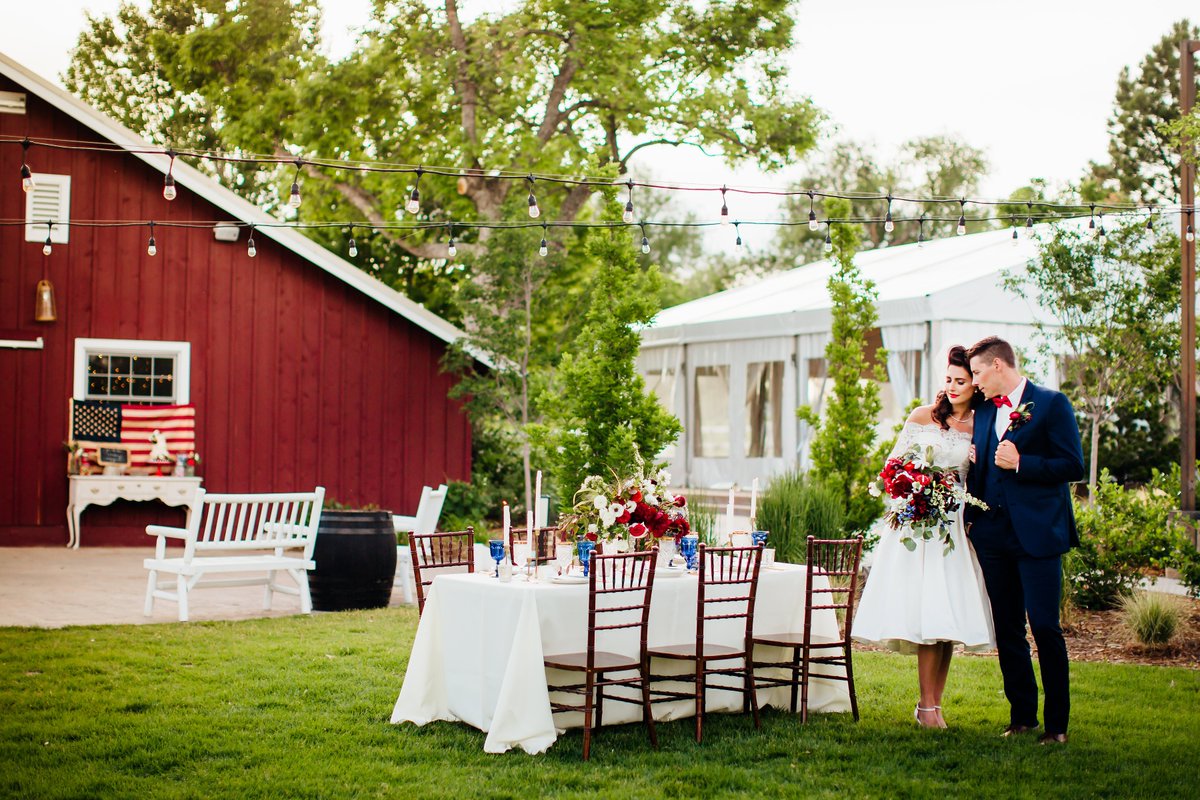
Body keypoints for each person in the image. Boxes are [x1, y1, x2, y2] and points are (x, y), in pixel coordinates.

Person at [854, 345, 995, 729]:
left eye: (961, 381)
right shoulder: (923, 417)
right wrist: (917, 483)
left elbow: (982, 479)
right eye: (948, 379)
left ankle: (934, 705)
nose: (952, 386)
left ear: (975, 385)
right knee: (927, 614)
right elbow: (892, 467)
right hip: (918, 528)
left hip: (952, 530)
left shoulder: (982, 425)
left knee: (946, 621)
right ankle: (927, 706)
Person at [965, 336, 1084, 745]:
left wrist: (1022, 463)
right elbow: (981, 468)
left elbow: (1073, 465)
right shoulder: (983, 410)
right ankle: (1022, 718)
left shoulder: (1052, 403)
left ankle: (1057, 726)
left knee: (1046, 627)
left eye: (978, 373)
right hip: (993, 535)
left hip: (1039, 535)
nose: (974, 382)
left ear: (998, 365)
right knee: (1008, 629)